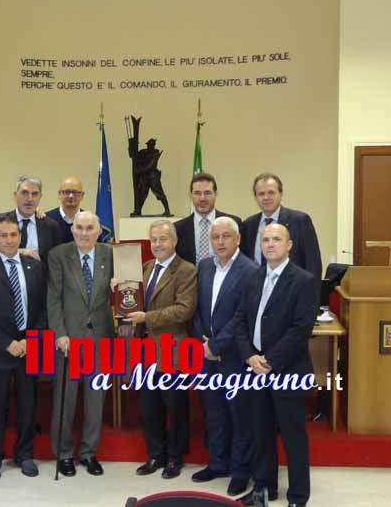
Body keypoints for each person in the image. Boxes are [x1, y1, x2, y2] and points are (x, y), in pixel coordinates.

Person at [234, 223, 318, 507]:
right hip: (255, 368)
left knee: (294, 438)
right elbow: (240, 321)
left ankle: (298, 497)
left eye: (277, 239)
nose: (270, 244)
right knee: (261, 434)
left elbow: (301, 329)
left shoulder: (304, 281)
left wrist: (269, 361)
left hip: (287, 371)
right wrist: (249, 356)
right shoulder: (253, 277)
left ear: (289, 245)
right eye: (266, 239)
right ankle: (264, 489)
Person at [239, 172, 328, 421]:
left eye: (271, 192)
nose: (266, 197)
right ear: (255, 197)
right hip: (258, 317)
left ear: (280, 194)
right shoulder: (249, 225)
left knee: (287, 411)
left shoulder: (299, 220)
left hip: (289, 317)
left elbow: (313, 265)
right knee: (261, 410)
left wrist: (310, 311)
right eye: (261, 193)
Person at [0, 216, 47, 482]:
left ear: (20, 237)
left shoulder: (35, 266)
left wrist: (30, 340)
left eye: (14, 235)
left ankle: (24, 455)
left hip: (30, 346)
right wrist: (7, 343)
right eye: (3, 235)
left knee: (28, 405)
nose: (9, 240)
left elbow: (44, 307)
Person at [190, 216, 258, 497]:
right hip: (205, 354)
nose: (220, 242)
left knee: (239, 414)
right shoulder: (204, 266)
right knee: (214, 411)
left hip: (234, 355)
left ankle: (240, 471)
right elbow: (196, 309)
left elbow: (244, 316)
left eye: (226, 236)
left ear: (237, 239)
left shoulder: (250, 270)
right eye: (215, 237)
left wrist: (217, 346)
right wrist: (204, 343)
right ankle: (217, 463)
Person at [124, 220, 196, 479]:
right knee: (149, 408)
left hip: (171, 348)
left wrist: (147, 318)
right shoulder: (146, 267)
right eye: (153, 239)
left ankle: (175, 458)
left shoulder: (186, 270)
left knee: (175, 407)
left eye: (163, 239)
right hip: (144, 351)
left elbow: (184, 310)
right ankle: (156, 455)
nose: (157, 244)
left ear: (174, 241)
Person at [47, 211, 114, 477]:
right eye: (79, 227)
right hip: (69, 339)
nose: (84, 233)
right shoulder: (58, 255)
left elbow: (125, 292)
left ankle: (88, 452)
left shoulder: (111, 254)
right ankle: (63, 453)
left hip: (101, 338)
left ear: (99, 231)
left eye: (89, 228)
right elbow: (53, 298)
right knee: (66, 399)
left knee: (95, 400)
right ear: (72, 229)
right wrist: (59, 333)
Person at [0, 175, 63, 262]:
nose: (30, 199)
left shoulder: (51, 226)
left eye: (35, 194)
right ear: (15, 195)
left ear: (40, 197)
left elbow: (58, 259)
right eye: (24, 193)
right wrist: (17, 252)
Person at [173, 172, 243, 265]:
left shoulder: (233, 223)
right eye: (197, 193)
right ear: (190, 195)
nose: (202, 198)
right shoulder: (177, 228)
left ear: (216, 194)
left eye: (207, 193)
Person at [46, 176, 109, 243]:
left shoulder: (91, 221)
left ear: (82, 195)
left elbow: (97, 247)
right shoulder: (47, 219)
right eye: (67, 192)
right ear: (59, 194)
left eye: (75, 192)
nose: (71, 196)